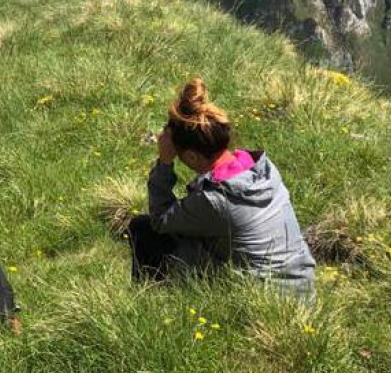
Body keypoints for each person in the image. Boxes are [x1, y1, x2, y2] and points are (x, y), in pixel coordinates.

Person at [129, 78, 316, 298]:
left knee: (145, 230)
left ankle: (150, 305)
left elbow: (160, 220)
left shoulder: (216, 199)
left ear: (191, 155)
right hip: (302, 290)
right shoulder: (262, 170)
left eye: (181, 156)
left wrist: (165, 162)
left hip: (263, 301)